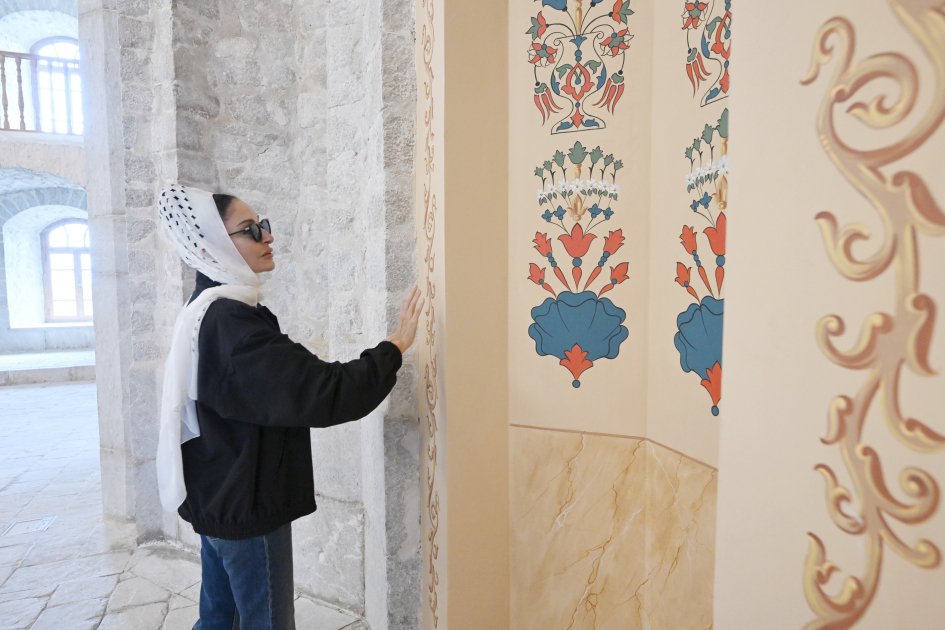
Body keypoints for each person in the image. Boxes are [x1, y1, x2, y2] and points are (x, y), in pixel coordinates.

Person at [154, 184, 422, 630]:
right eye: (251, 229)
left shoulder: (210, 309)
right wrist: (393, 348)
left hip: (220, 502)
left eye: (263, 225)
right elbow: (321, 391)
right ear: (212, 244)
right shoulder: (230, 323)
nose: (268, 236)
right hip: (245, 509)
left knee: (219, 621)